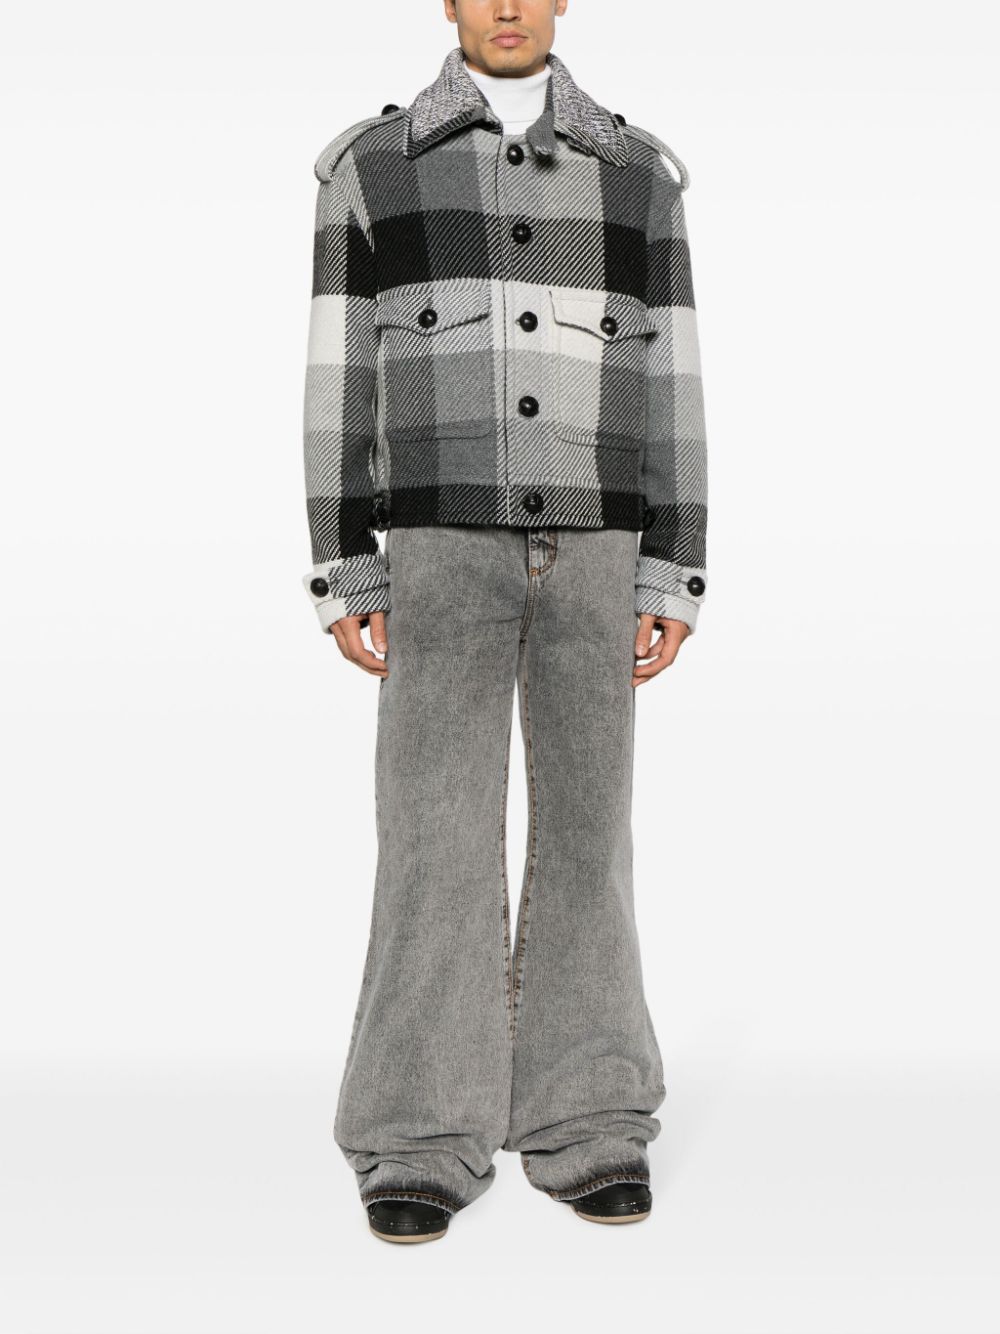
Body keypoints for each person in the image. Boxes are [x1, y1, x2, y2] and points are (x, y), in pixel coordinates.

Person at [301, 0, 708, 1244]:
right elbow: (337, 372)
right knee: (431, 834)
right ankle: (417, 1129)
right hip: (437, 547)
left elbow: (673, 376)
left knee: (590, 831)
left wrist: (672, 565)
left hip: (599, 547)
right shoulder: (372, 167)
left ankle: (589, 1114)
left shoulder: (639, 176)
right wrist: (345, 563)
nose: (510, 6)